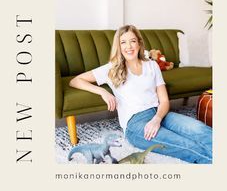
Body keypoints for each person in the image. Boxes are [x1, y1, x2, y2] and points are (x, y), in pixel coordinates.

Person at [69, 25, 212, 164]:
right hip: (135, 124)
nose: (128, 46)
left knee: (200, 130)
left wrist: (157, 119)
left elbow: (164, 101)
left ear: (139, 43)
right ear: (118, 46)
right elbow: (76, 81)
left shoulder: (152, 65)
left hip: (160, 114)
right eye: (123, 42)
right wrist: (102, 91)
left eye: (132, 41)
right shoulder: (112, 69)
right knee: (185, 145)